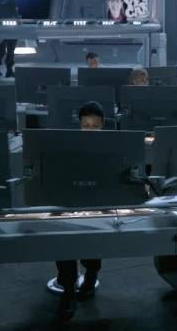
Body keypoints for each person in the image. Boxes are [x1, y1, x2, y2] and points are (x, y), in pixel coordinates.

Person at [56, 101, 106, 321]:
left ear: (103, 126)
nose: (90, 130)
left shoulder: (112, 147)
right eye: (86, 125)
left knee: (95, 234)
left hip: (98, 200)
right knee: (61, 235)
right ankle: (68, 289)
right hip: (70, 199)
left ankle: (91, 276)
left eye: (95, 126)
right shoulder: (67, 147)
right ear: (79, 125)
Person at [0, 0, 19, 78]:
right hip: (11, 29)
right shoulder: (12, 0)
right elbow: (15, 14)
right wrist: (19, 23)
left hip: (1, 28)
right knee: (10, 50)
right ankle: (9, 71)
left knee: (0, 50)